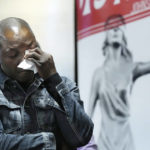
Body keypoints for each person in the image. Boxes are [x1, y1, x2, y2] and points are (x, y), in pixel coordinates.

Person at [0, 17, 94, 150]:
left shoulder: (64, 84)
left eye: (31, 48)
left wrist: (53, 78)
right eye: (13, 54)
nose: (25, 58)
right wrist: (50, 142)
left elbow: (82, 136)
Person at [88, 14, 150, 150]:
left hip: (126, 143)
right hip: (104, 142)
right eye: (111, 27)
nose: (116, 29)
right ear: (106, 34)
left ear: (124, 34)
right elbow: (87, 118)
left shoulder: (133, 68)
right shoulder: (98, 74)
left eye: (119, 26)